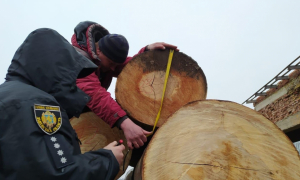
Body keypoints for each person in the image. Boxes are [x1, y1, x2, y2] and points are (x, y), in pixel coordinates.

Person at [0, 28, 125, 180]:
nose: (73, 82)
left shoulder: (10, 96)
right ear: (56, 67)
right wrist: (107, 160)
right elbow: (57, 173)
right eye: (71, 71)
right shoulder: (39, 105)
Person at [72, 21, 179, 149]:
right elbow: (94, 94)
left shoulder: (102, 58)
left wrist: (146, 51)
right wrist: (124, 122)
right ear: (99, 50)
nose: (113, 69)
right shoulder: (78, 60)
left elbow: (126, 67)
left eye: (116, 65)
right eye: (111, 63)